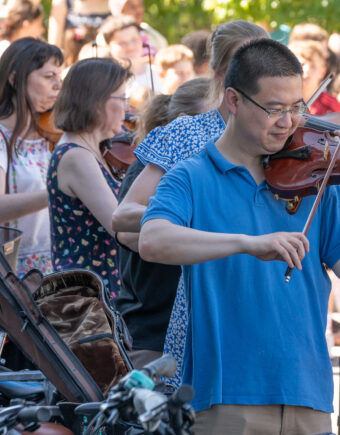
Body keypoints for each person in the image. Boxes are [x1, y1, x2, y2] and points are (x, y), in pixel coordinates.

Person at [138, 38, 340, 432]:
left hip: (307, 390)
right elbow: (152, 240)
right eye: (274, 109)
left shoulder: (315, 179)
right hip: (225, 396)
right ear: (234, 101)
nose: (289, 121)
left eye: (296, 107)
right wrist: (247, 244)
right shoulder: (192, 175)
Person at [111, 21, 268, 367]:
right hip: (186, 312)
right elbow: (123, 217)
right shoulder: (187, 134)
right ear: (223, 73)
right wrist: (199, 215)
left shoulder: (279, 140)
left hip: (260, 311)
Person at [0, 38, 63, 275]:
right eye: (48, 76)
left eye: (58, 76)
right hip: (12, 272)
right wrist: (55, 192)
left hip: (56, 266)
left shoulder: (53, 134)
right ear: (14, 79)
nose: (58, 84)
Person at [47, 58, 134, 298]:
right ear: (97, 102)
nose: (127, 109)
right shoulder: (76, 156)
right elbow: (122, 229)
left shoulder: (94, 149)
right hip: (89, 299)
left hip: (101, 290)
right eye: (122, 98)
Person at [288, 39, 340, 116]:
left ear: (322, 72)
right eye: (302, 64)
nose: (306, 70)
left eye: (313, 66)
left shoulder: (332, 107)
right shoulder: (280, 101)